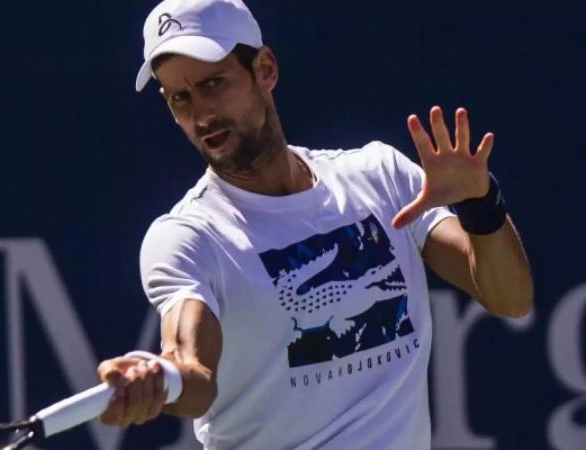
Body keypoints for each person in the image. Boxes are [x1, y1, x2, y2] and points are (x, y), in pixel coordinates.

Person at [97, 0, 533, 448]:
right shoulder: (187, 237)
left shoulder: (381, 175)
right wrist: (160, 375)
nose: (202, 115)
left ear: (265, 69)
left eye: (214, 84)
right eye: (180, 98)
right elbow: (195, 371)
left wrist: (479, 203)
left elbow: (510, 298)